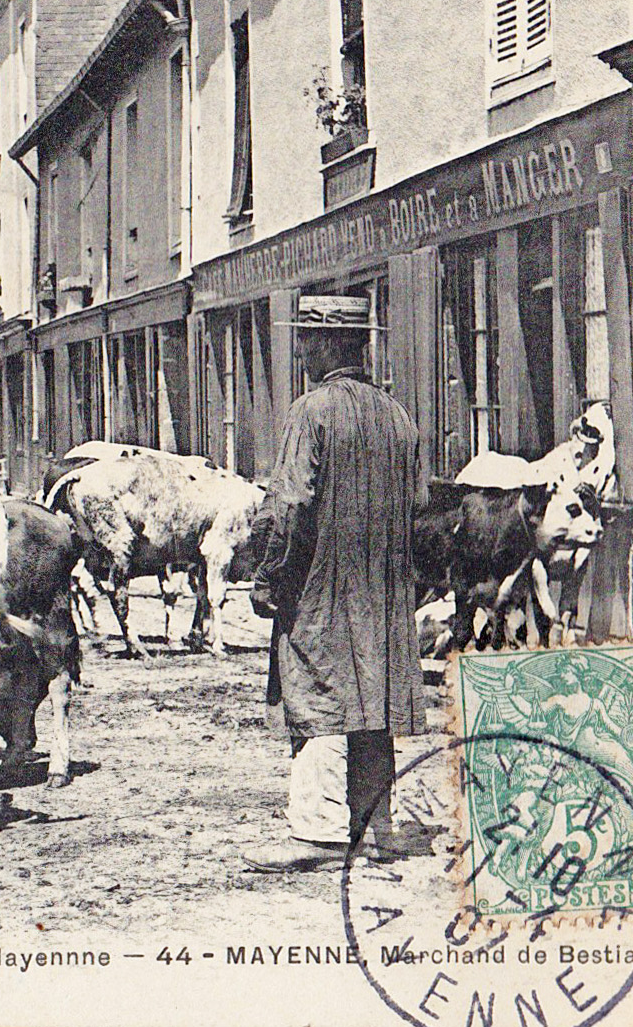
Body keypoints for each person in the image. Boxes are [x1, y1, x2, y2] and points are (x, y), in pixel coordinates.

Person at [242, 298, 425, 872]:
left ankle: (318, 831)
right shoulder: (398, 417)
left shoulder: (312, 412)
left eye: (305, 340)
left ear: (325, 346)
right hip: (386, 586)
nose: (299, 351)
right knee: (376, 695)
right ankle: (375, 825)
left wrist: (269, 576)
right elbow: (417, 508)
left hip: (323, 583)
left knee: (317, 690)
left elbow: (289, 506)